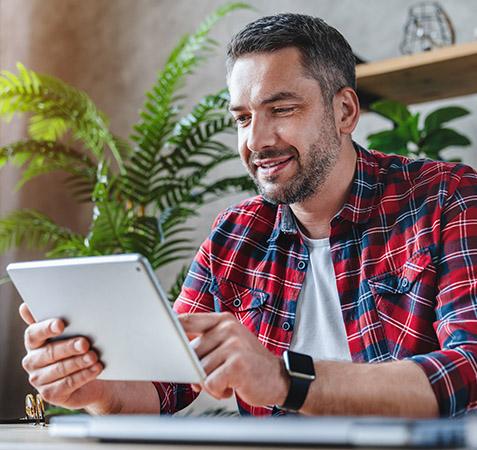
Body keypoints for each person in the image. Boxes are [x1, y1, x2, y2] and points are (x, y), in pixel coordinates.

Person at [19, 13, 477, 418]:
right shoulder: (235, 235)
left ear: (344, 111)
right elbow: (170, 379)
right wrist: (95, 387)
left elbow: (468, 367)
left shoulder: (447, 198)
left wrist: (284, 379)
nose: (256, 140)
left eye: (281, 109)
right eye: (242, 118)